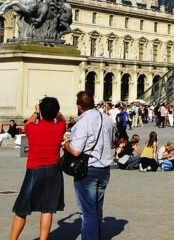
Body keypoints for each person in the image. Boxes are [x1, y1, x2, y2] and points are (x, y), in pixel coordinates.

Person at [9, 97, 67, 240]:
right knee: (47, 209)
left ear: (41, 111)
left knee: (21, 209)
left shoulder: (32, 128)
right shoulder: (60, 127)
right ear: (55, 111)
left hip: (34, 170)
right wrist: (56, 112)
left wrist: (36, 112)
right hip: (53, 170)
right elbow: (62, 119)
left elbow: (28, 123)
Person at [63, 91, 113, 240]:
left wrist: (65, 144)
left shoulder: (83, 122)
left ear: (80, 107)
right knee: (97, 209)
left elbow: (76, 151)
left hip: (88, 170)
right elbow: (111, 140)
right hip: (104, 169)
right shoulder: (107, 119)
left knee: (87, 212)